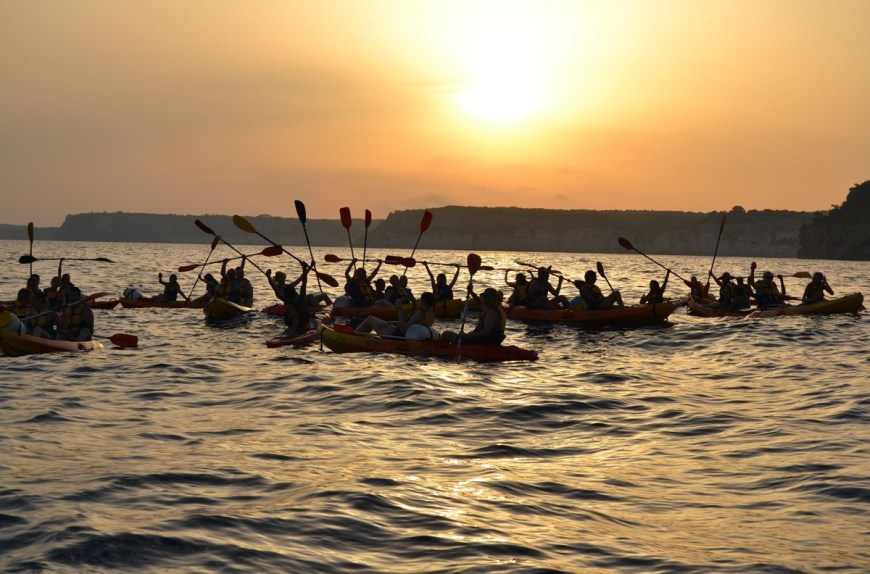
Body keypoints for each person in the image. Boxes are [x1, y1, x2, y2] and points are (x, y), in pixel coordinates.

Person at [355, 291, 436, 339]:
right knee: (377, 321)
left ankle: (354, 336)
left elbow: (405, 329)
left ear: (423, 301)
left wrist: (400, 310)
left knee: (370, 319)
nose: (419, 301)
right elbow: (410, 326)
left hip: (397, 334)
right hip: (398, 331)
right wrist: (392, 322)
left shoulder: (420, 313)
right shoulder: (430, 313)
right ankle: (359, 336)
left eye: (421, 300)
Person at [268, 263, 312, 335]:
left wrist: (309, 267)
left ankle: (294, 330)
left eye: (284, 278)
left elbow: (301, 279)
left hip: (298, 304)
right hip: (293, 306)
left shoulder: (288, 286)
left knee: (298, 317)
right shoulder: (279, 290)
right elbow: (272, 285)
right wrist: (268, 277)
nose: (284, 280)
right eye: (282, 278)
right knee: (295, 318)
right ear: (278, 279)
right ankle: (293, 331)